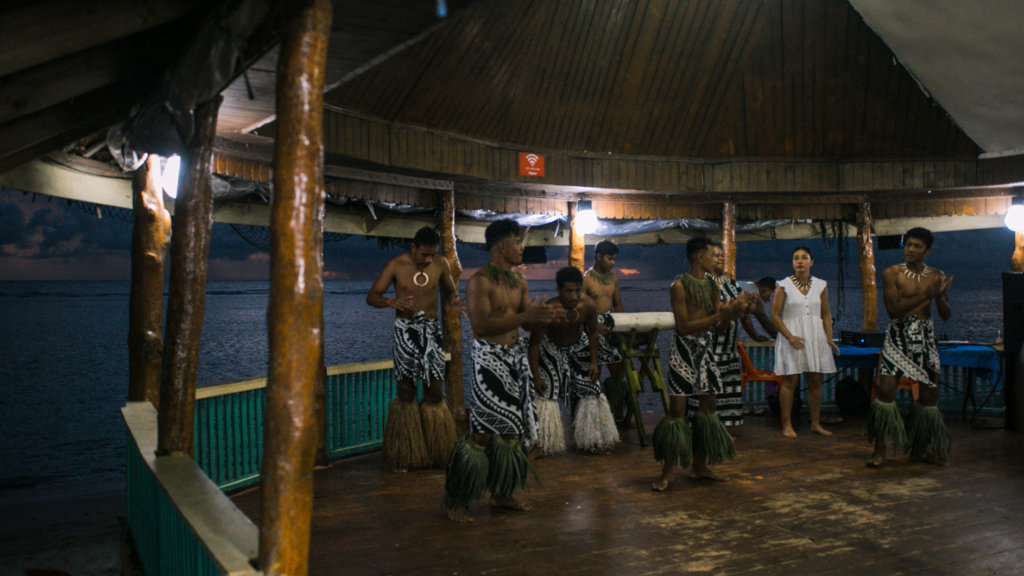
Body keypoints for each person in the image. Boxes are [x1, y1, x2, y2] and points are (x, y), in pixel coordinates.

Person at [443, 219, 560, 523]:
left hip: (514, 360)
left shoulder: (518, 282)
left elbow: (525, 323)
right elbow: (480, 327)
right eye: (518, 242)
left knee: (510, 433)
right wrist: (528, 315)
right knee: (482, 434)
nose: (522, 248)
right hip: (488, 362)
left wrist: (545, 317)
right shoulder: (479, 281)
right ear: (501, 246)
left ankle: (502, 493)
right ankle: (458, 499)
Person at [652, 237, 754, 491]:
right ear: (700, 257)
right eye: (712, 255)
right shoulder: (679, 286)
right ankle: (667, 472)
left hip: (707, 351)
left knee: (707, 411)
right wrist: (722, 314)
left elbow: (717, 325)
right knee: (677, 413)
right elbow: (684, 327)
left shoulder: (712, 286)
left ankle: (700, 466)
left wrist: (733, 312)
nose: (716, 260)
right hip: (684, 352)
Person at [366, 226, 464, 472]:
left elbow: (450, 289)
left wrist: (453, 299)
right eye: (424, 255)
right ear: (413, 247)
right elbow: (372, 296)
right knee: (406, 392)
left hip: (431, 331)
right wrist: (391, 302)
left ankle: (435, 450)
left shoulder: (441, 264)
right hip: (405, 331)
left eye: (432, 255)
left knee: (434, 391)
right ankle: (407, 453)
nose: (428, 260)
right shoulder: (396, 265)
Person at [867, 227, 953, 468]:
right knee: (885, 392)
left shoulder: (936, 276)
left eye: (917, 246)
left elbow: (945, 315)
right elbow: (894, 310)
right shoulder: (891, 273)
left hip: (925, 337)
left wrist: (939, 297)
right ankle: (879, 451)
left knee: (929, 397)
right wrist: (927, 293)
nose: (911, 250)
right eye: (908, 245)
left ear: (927, 250)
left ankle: (920, 449)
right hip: (897, 335)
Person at [529, 266, 619, 456]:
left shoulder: (588, 306)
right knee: (546, 392)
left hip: (579, 347)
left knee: (592, 389)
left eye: (577, 290)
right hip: (551, 349)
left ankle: (593, 439)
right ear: (559, 290)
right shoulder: (549, 310)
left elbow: (593, 333)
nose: (574, 296)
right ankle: (542, 444)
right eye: (569, 291)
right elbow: (534, 345)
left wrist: (594, 362)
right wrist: (536, 376)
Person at [771, 246, 840, 438]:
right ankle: (786, 424)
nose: (799, 261)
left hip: (815, 335)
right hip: (792, 335)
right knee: (790, 380)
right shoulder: (783, 285)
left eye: (804, 258)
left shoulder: (820, 285)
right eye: (795, 258)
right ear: (792, 263)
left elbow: (826, 314)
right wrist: (789, 337)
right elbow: (775, 316)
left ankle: (815, 423)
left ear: (811, 261)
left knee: (815, 380)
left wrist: (828, 338)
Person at [688, 243, 758, 432]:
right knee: (708, 391)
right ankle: (705, 429)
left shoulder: (731, 283)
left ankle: (723, 431)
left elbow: (744, 314)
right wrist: (727, 315)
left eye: (721, 255)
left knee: (727, 391)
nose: (719, 258)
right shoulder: (701, 283)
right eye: (715, 255)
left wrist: (751, 306)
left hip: (728, 349)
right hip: (709, 347)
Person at [583, 240, 626, 418]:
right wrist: (594, 326)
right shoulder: (586, 278)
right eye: (609, 258)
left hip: (610, 326)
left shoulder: (614, 278)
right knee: (595, 372)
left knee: (618, 371)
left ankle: (617, 412)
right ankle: (595, 415)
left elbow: (617, 303)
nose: (612, 263)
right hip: (591, 329)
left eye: (614, 259)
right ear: (598, 256)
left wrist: (621, 325)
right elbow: (581, 307)